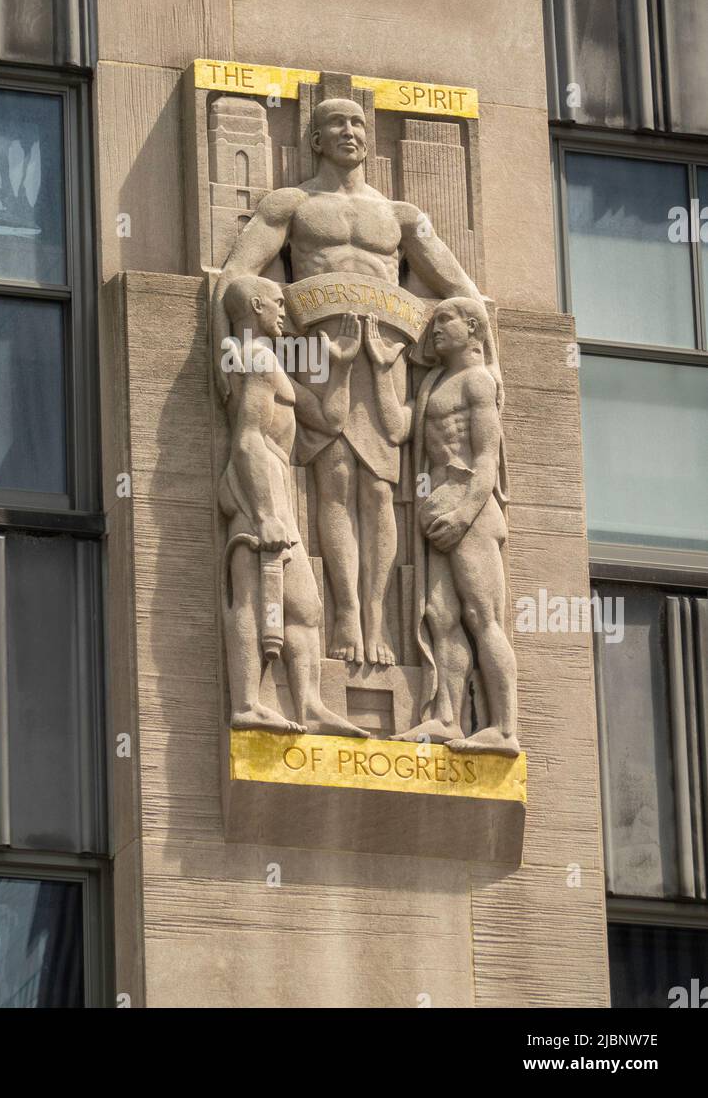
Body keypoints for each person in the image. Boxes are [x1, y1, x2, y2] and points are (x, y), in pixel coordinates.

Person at [212, 98, 498, 669]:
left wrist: (479, 359)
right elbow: (237, 279)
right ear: (315, 139)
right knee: (335, 486)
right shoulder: (291, 205)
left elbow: (463, 291)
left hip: (386, 358)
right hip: (317, 357)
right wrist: (242, 344)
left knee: (379, 494)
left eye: (358, 123)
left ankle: (374, 615)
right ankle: (345, 614)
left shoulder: (400, 216)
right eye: (337, 124)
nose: (351, 132)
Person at [366, 300, 519, 756]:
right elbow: (398, 428)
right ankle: (447, 718)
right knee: (440, 617)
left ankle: (505, 728)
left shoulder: (479, 381)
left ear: (473, 326)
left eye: (444, 320)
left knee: (484, 617)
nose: (434, 329)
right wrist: (379, 369)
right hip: (439, 511)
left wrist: (464, 514)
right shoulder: (434, 381)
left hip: (469, 511)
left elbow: (486, 459)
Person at [219, 274, 368, 737]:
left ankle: (308, 704)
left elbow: (327, 419)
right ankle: (247, 703)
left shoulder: (269, 362)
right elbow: (245, 440)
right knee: (250, 594)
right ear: (257, 304)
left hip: (277, 487)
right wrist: (264, 514)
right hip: (257, 488)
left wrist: (341, 368)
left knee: (304, 608)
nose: (284, 311)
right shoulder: (256, 358)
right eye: (278, 303)